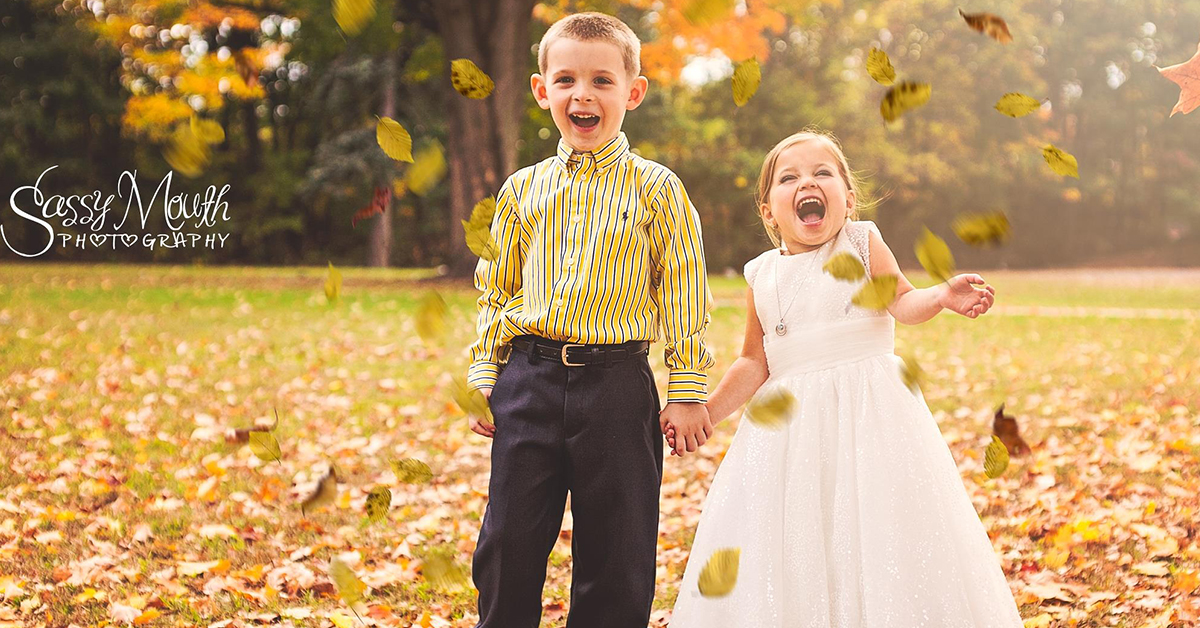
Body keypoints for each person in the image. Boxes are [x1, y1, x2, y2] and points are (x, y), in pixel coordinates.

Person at [665, 128, 1024, 627]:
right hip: (790, 434)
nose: (806, 182)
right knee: (796, 537)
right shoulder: (762, 275)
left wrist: (940, 296)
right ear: (769, 210)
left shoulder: (860, 242)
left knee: (876, 527)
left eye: (822, 173)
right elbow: (754, 361)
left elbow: (900, 300)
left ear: (847, 199)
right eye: (788, 178)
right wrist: (707, 412)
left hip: (870, 417)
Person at [464, 11, 715, 628]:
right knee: (507, 543)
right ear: (541, 89)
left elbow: (684, 295)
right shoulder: (522, 190)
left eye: (602, 81)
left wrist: (685, 392)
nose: (584, 94)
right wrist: (483, 373)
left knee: (618, 550)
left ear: (632, 93)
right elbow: (497, 289)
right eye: (568, 79)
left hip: (618, 386)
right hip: (529, 378)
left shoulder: (659, 190)